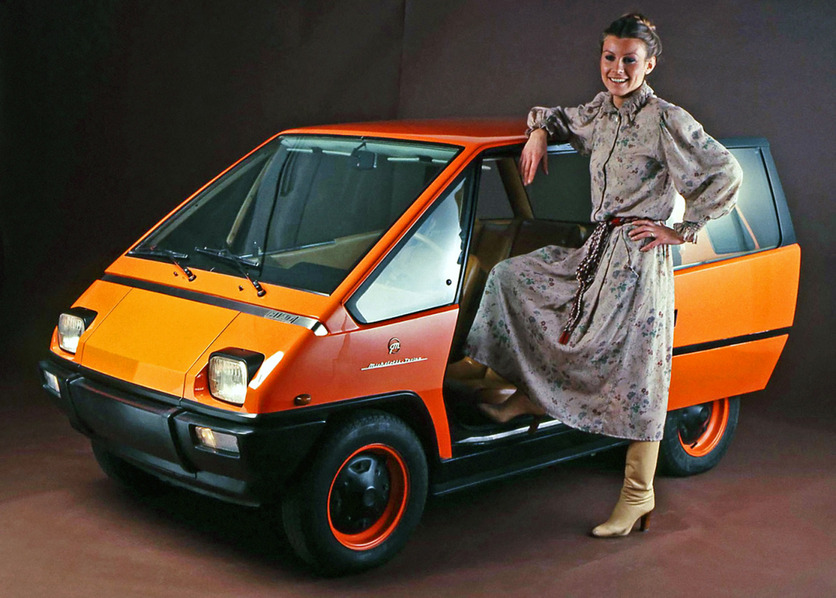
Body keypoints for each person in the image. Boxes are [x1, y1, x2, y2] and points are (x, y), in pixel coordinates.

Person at [450, 13, 742, 537]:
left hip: (639, 261)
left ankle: (637, 494)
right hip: (597, 248)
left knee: (639, 372)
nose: (617, 69)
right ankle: (532, 395)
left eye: (630, 60)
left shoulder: (666, 119)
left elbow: (725, 172)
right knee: (513, 279)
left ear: (650, 64)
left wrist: (681, 229)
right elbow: (556, 116)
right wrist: (539, 133)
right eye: (610, 57)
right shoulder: (598, 112)